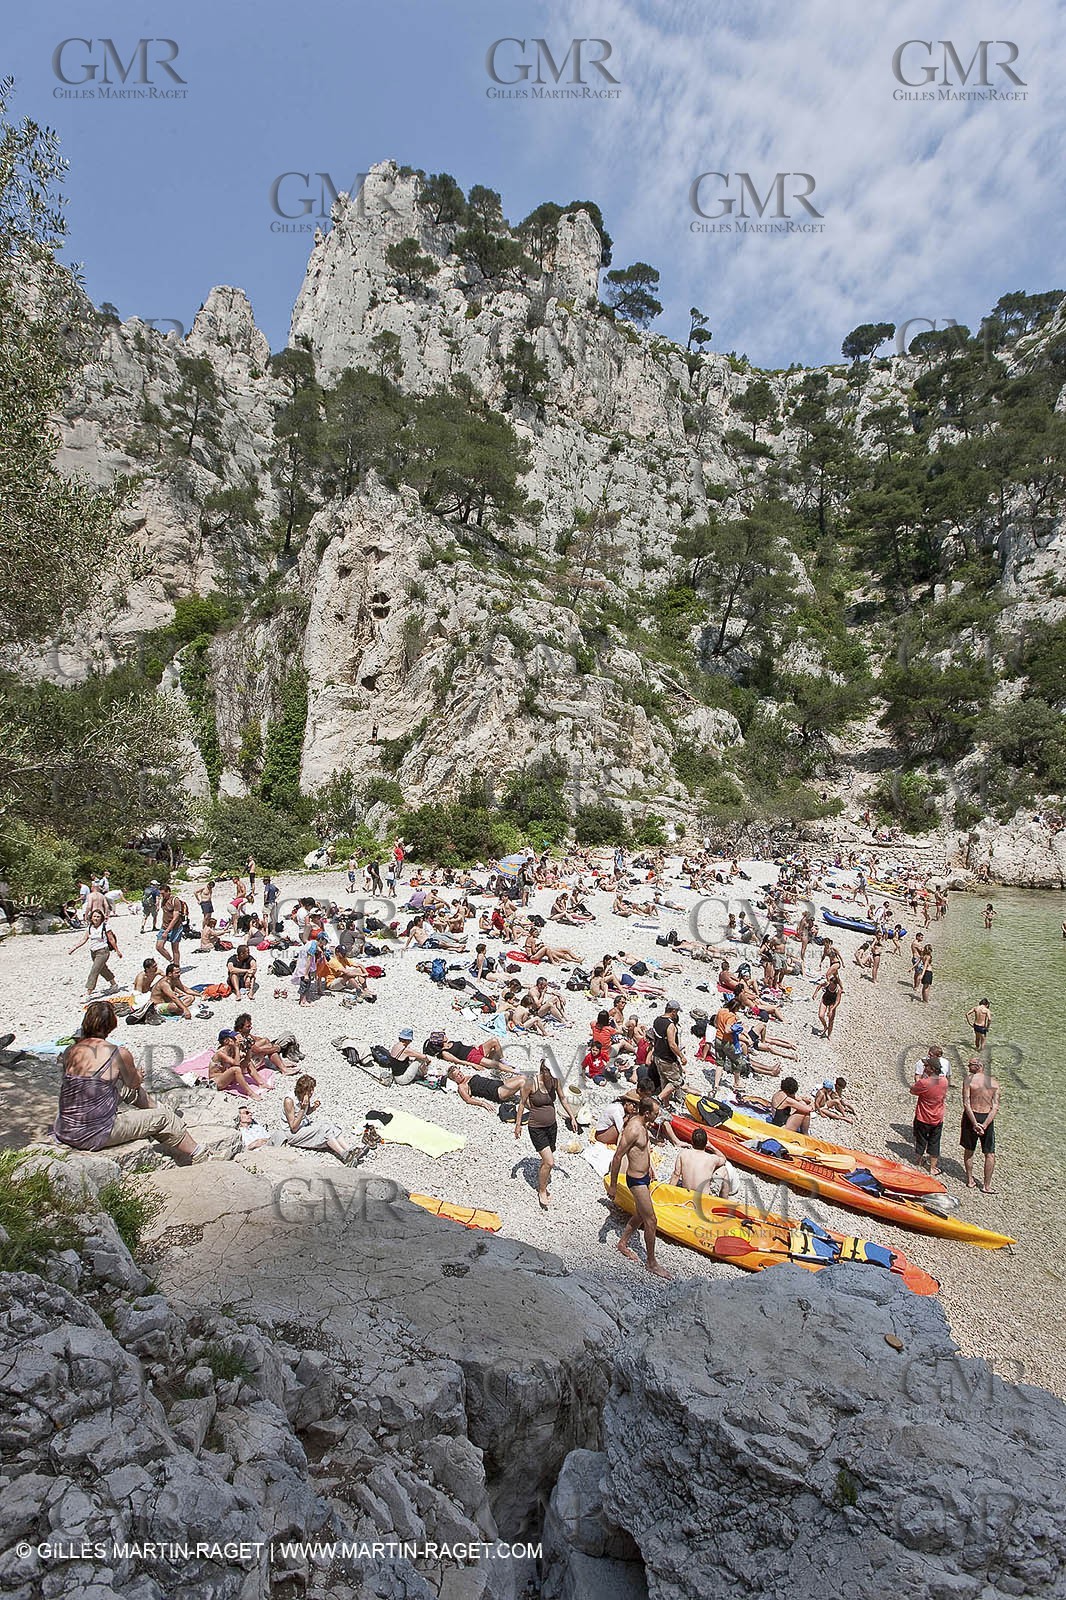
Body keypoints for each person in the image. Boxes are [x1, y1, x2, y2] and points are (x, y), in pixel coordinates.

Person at [54, 1001, 203, 1160]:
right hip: (94, 1133)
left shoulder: (71, 1051)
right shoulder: (118, 1053)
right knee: (165, 1118)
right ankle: (200, 1153)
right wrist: (138, 1074)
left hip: (64, 1128)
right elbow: (134, 1083)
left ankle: (158, 1107)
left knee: (123, 1090)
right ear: (112, 1024)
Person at [607, 1098, 670, 1278]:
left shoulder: (644, 1125)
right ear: (647, 1113)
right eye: (656, 1113)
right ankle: (651, 1263)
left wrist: (649, 1167)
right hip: (636, 1181)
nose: (658, 1116)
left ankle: (623, 1243)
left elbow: (643, 1150)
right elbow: (618, 1156)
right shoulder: (634, 1129)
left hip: (644, 1176)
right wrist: (613, 1186)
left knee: (641, 1214)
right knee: (651, 1220)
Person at [515, 1059, 579, 1210]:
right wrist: (518, 1125)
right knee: (550, 1162)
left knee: (549, 1156)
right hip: (536, 1128)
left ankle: (543, 1168)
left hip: (552, 1126)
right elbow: (522, 1103)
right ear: (544, 1071)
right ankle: (542, 1190)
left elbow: (562, 1098)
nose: (552, 1077)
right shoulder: (531, 1084)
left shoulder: (555, 1082)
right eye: (550, 1074)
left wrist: (572, 1117)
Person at [283, 1074, 358, 1161]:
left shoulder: (306, 1096)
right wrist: (303, 1108)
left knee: (329, 1125)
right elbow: (293, 1127)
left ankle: (349, 1149)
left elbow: (307, 1112)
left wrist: (313, 1107)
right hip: (293, 1134)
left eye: (312, 1090)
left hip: (304, 1125)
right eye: (309, 1090)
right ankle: (344, 1155)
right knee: (323, 1129)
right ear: (302, 1090)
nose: (312, 1093)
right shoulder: (289, 1101)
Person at [961, 1057, 999, 1192]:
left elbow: (966, 1103)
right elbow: (995, 1107)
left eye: (970, 1064)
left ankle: (970, 1180)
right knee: (989, 1153)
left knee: (969, 1150)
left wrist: (974, 1123)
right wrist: (985, 1124)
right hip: (987, 1118)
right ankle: (987, 1186)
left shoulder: (969, 1080)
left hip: (972, 1116)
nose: (968, 1066)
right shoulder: (994, 1082)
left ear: (978, 1066)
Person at [670, 1125, 736, 1200]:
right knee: (724, 1169)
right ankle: (724, 1201)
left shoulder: (683, 1154)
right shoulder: (712, 1158)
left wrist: (669, 1190)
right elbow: (723, 1159)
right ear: (705, 1143)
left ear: (692, 1141)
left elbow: (676, 1175)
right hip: (704, 1198)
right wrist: (712, 1147)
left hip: (687, 1193)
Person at [909, 1054, 949, 1174]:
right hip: (937, 1116)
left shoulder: (924, 1083)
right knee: (935, 1141)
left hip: (923, 1116)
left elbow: (913, 1091)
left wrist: (921, 1078)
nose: (924, 1067)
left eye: (926, 1066)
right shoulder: (944, 1081)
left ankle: (919, 1160)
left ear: (932, 1069)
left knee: (921, 1139)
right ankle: (932, 1167)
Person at [70, 910, 121, 1000]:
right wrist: (74, 948)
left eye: (98, 917)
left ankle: (88, 993)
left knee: (94, 971)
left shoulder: (105, 926)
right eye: (94, 916)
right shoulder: (90, 927)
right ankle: (114, 985)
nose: (96, 918)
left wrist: (117, 951)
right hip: (93, 952)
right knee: (102, 969)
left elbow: (111, 939)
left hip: (103, 951)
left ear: (101, 917)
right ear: (91, 917)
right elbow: (84, 939)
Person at [649, 1000, 686, 1106]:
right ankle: (659, 1098)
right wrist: (682, 1056)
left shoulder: (657, 1020)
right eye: (677, 1012)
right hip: (667, 1058)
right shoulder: (670, 1025)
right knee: (676, 1081)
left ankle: (666, 1105)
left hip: (657, 1055)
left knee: (664, 1080)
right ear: (673, 1011)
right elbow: (672, 1044)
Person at [210, 1029, 267, 1096]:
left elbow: (247, 1060)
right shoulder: (220, 1053)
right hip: (216, 1081)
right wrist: (236, 1047)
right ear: (226, 1041)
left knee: (248, 1063)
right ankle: (250, 1093)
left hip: (226, 1076)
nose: (236, 1039)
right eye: (233, 1038)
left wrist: (248, 1048)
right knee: (236, 1069)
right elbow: (236, 1063)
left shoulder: (231, 1049)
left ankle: (261, 1083)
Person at [446, 1064, 525, 1109]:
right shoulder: (462, 1086)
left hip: (499, 1083)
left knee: (524, 1077)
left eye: (460, 1072)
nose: (460, 1074)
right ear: (454, 1079)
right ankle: (529, 1103)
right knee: (522, 1082)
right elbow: (468, 1100)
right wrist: (483, 1103)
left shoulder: (467, 1077)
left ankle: (532, 1098)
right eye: (457, 1075)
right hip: (497, 1092)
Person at [156, 888, 189, 967]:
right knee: (159, 946)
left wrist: (167, 931)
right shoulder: (163, 900)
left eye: (163, 893)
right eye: (161, 893)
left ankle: (176, 966)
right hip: (164, 926)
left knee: (175, 948)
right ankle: (171, 961)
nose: (162, 895)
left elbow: (175, 918)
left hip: (176, 927)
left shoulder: (175, 900)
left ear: (168, 892)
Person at [816, 970, 843, 1038]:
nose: (830, 985)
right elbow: (820, 986)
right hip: (825, 1000)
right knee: (821, 1015)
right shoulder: (827, 984)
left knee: (831, 1019)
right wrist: (815, 993)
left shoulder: (838, 990)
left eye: (832, 984)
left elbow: (837, 1001)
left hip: (832, 1003)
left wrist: (831, 1010)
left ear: (835, 984)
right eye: (830, 983)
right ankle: (825, 1026)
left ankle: (829, 1035)